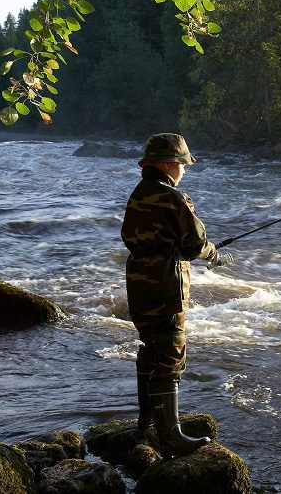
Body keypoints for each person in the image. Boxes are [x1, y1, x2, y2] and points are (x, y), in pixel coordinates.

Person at [121, 132, 232, 458]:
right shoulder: (173, 198)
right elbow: (196, 244)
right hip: (167, 288)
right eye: (182, 163)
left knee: (149, 347)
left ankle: (147, 421)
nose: (184, 169)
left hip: (139, 287)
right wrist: (215, 255)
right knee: (170, 357)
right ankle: (171, 437)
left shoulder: (137, 195)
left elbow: (133, 236)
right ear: (170, 164)